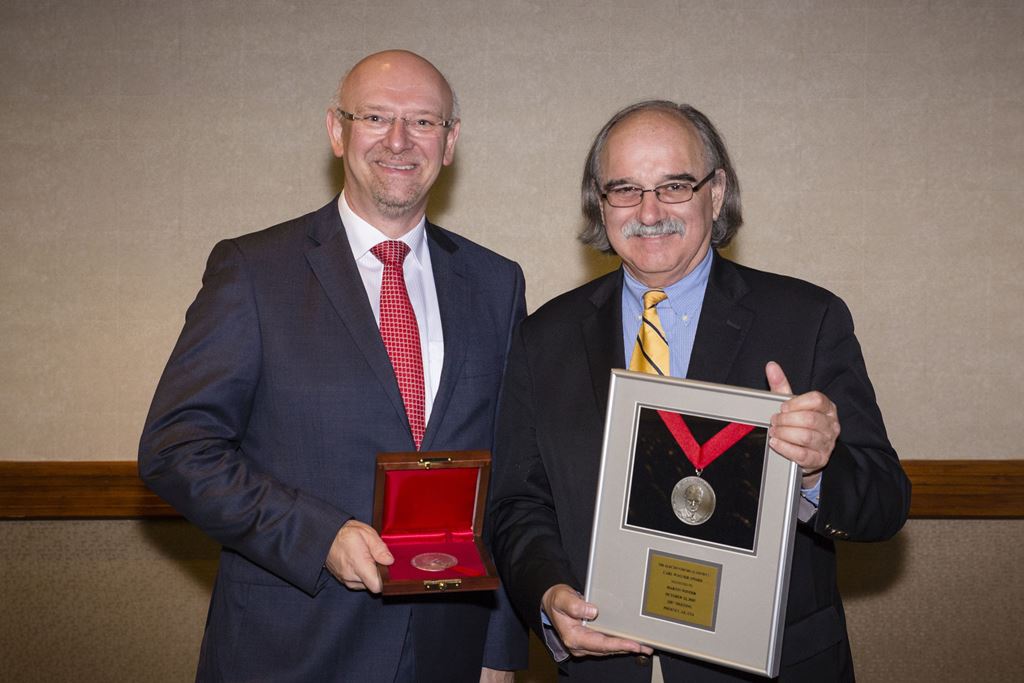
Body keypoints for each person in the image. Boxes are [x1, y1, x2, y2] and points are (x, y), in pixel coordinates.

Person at [488, 100, 911, 682]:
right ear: (599, 202)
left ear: (716, 194)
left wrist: (815, 473)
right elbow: (519, 504)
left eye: (675, 185)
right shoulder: (544, 338)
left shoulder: (806, 320)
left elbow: (885, 504)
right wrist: (550, 591)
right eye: (625, 188)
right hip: (604, 668)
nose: (650, 210)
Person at [139, 50, 526, 683]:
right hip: (291, 647)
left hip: (447, 651)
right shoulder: (254, 271)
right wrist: (317, 535)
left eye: (424, 122)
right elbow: (176, 448)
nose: (399, 140)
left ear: (450, 142)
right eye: (376, 116)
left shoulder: (496, 282)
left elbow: (510, 475)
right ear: (336, 129)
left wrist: (498, 650)